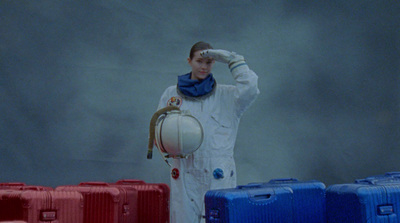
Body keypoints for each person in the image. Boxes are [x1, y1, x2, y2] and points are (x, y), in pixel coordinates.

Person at [156, 41, 259, 223]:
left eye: (209, 62)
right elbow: (158, 133)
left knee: (218, 219)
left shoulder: (228, 96)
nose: (203, 67)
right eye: (199, 61)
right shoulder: (172, 95)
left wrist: (234, 61)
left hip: (217, 173)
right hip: (183, 169)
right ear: (189, 61)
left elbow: (251, 88)